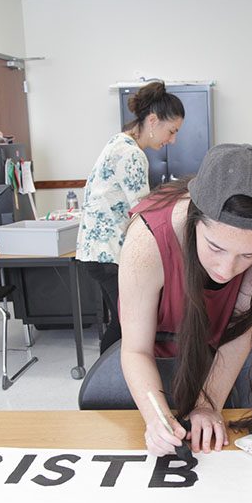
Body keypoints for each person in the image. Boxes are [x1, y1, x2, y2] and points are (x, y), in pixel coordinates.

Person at [118, 144, 252, 457]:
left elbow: (241, 327)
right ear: (194, 220)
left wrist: (208, 404)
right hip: (157, 354)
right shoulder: (147, 242)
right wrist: (155, 419)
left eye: (248, 255)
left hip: (218, 351)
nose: (227, 270)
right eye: (215, 247)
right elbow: (135, 349)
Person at [76, 81, 184, 353]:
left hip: (97, 252)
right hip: (108, 253)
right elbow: (144, 212)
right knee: (128, 322)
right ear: (152, 120)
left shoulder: (118, 141)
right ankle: (105, 383)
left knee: (123, 319)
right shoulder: (132, 154)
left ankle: (110, 379)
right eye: (171, 131)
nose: (172, 140)